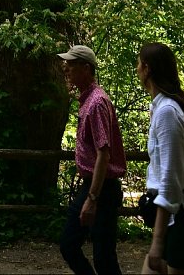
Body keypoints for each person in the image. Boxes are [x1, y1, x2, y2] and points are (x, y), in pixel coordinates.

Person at [137, 43, 184, 275]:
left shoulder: (167, 112)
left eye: (139, 64)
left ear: (147, 69)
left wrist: (157, 243)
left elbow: (170, 183)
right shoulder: (162, 108)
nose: (137, 69)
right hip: (176, 221)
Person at [58, 44, 127, 275]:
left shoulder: (97, 102)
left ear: (86, 68)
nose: (65, 68)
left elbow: (104, 153)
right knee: (71, 245)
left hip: (102, 189)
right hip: (94, 186)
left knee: (104, 257)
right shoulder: (87, 100)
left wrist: (92, 198)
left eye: (71, 64)